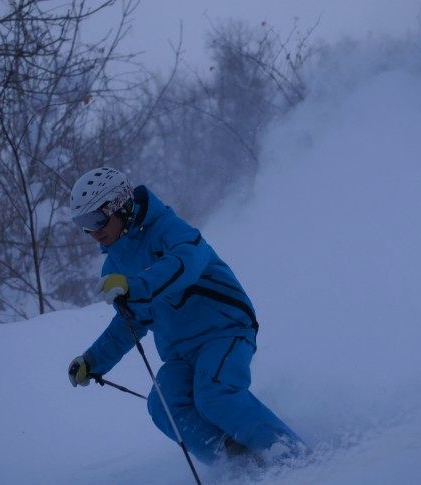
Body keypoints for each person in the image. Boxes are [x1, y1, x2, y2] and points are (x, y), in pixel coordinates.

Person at [67, 167, 303, 464]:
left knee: (214, 395)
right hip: (180, 353)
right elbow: (131, 322)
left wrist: (136, 285)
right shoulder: (114, 268)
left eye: (96, 219)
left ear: (119, 204)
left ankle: (293, 458)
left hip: (224, 330)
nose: (93, 231)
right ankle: (238, 465)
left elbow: (185, 264)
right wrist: (92, 360)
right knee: (163, 405)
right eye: (83, 224)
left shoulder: (169, 229)